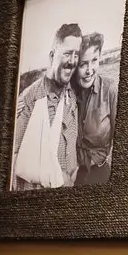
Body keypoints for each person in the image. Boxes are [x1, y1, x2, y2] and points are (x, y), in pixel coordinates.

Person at [11, 22, 82, 191]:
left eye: (76, 55)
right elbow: (15, 162)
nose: (72, 61)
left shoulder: (71, 98)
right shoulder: (28, 100)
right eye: (67, 53)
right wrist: (55, 176)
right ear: (51, 56)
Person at [73, 31, 118, 185]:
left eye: (94, 60)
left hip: (99, 175)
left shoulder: (111, 90)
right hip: (70, 177)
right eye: (83, 64)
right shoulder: (67, 92)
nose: (89, 70)